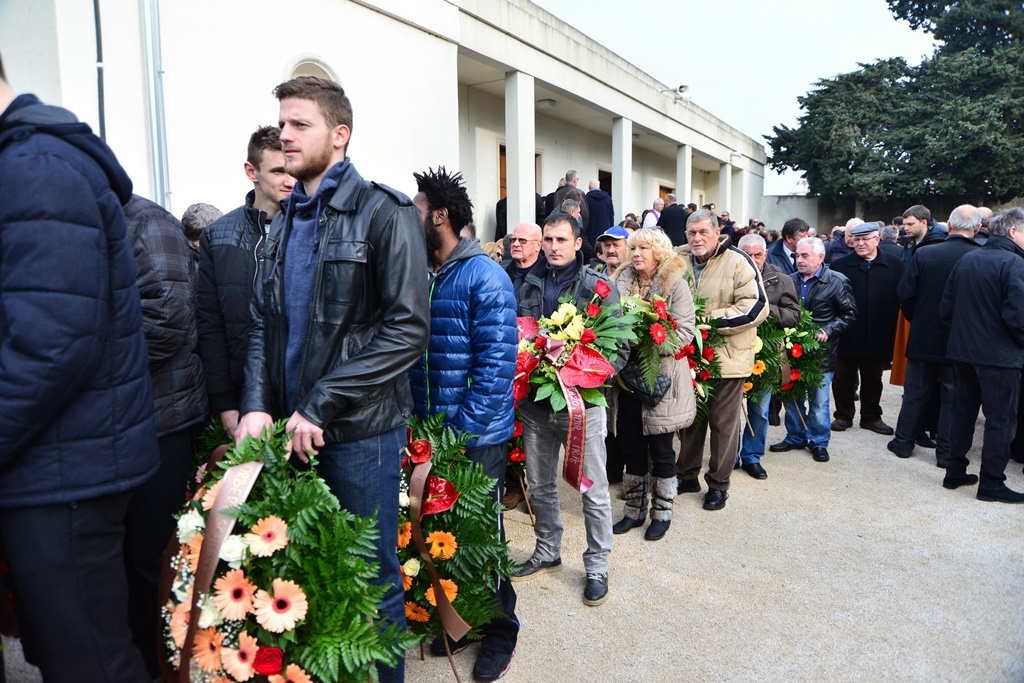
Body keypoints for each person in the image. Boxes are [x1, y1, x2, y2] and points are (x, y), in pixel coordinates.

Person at [236, 76, 429, 683]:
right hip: (290, 431)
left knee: (371, 583)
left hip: (358, 435)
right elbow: (264, 321)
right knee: (308, 576)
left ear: (339, 135)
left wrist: (319, 405)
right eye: (282, 124)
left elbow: (406, 331)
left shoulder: (384, 212)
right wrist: (256, 403)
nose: (285, 136)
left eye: (300, 125)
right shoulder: (284, 218)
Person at [0, 61, 158, 682]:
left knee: (90, 662)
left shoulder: (34, 168)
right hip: (51, 463)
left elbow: (51, 343)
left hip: (63, 470)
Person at [407, 167, 519, 682]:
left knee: (482, 534)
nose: (410, 218)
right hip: (435, 434)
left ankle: (501, 630)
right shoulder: (427, 274)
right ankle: (463, 619)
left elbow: (495, 370)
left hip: (476, 438)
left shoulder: (484, 277)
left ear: (440, 216)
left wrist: (459, 435)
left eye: (416, 209)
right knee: (444, 533)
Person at [511, 212, 628, 607]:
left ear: (579, 243)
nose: (553, 247)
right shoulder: (525, 280)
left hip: (581, 405)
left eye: (561, 240)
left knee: (591, 488)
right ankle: (547, 549)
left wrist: (582, 375)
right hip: (536, 404)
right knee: (540, 483)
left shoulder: (598, 288)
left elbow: (620, 348)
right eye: (548, 239)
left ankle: (597, 565)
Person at [121, 194, 209, 675]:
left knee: (155, 557)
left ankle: (165, 664)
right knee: (130, 558)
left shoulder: (148, 223)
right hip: (129, 419)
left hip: (165, 419)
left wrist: (89, 345)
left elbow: (168, 321)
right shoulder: (109, 222)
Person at [197, 125, 294, 438]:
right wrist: (225, 405)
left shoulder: (313, 230)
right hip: (243, 400)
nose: (290, 180)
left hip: (303, 401)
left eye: (292, 169)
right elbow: (210, 325)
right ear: (252, 171)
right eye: (278, 171)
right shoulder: (218, 236)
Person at [675, 209, 769, 509]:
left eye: (703, 232)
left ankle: (718, 484)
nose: (697, 238)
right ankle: (687, 475)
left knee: (723, 425)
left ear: (718, 232)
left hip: (727, 359)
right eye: (692, 233)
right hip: (689, 357)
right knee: (689, 421)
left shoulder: (738, 261)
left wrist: (704, 321)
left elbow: (756, 308)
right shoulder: (679, 260)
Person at [608, 229, 696, 540]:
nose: (636, 254)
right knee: (630, 447)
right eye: (633, 248)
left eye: (643, 248)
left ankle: (662, 512)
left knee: (661, 450)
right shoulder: (621, 282)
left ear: (658, 251)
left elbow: (684, 332)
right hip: (628, 380)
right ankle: (633, 511)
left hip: (662, 382)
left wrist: (647, 338)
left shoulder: (676, 285)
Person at [940, 208, 1024, 503]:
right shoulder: (1014, 264)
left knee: (962, 413)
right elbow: (1018, 318)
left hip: (963, 353)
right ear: (1013, 232)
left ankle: (954, 472)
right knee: (1000, 421)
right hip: (999, 358)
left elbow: (945, 310)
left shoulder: (968, 259)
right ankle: (991, 483)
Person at [888, 205, 981, 464]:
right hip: (961, 338)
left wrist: (918, 319)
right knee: (953, 396)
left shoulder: (925, 254)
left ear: (948, 226)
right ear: (976, 228)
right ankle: (946, 452)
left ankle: (904, 441)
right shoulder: (980, 256)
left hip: (924, 333)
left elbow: (905, 294)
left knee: (915, 391)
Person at [770, 238, 857, 462]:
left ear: (820, 257)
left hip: (821, 354)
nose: (799, 260)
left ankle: (818, 442)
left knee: (819, 401)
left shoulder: (837, 281)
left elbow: (849, 314)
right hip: (791, 351)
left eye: (805, 256)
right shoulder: (788, 280)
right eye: (797, 256)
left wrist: (829, 329)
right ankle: (795, 436)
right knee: (791, 396)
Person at [737, 234, 801, 478]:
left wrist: (763, 310)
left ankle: (752, 456)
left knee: (760, 409)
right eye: (748, 254)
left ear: (766, 253)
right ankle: (729, 456)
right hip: (734, 351)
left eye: (758, 254)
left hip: (767, 354)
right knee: (730, 411)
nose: (753, 260)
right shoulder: (731, 275)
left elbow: (793, 314)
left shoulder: (781, 279)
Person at [829, 222, 903, 435]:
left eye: (865, 239)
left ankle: (871, 417)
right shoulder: (840, 266)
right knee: (843, 378)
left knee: (873, 379)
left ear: (877, 240)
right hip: (847, 333)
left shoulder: (895, 265)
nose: (860, 243)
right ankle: (843, 415)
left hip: (879, 333)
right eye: (856, 239)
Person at [504, 221, 543, 292]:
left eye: (522, 240)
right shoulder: (501, 273)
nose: (515, 244)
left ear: (538, 245)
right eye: (513, 240)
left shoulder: (548, 276)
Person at [585, 179, 615, 245]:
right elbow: (611, 215)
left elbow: (584, 216)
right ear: (599, 187)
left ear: (589, 188)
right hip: (604, 231)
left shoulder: (586, 199)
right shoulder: (607, 198)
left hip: (590, 231)